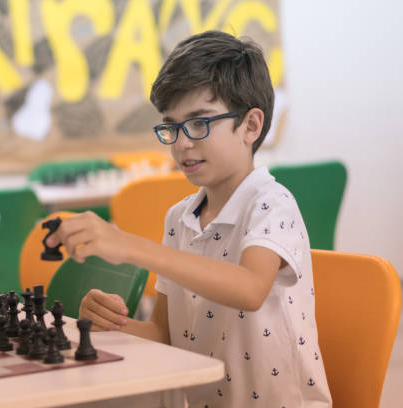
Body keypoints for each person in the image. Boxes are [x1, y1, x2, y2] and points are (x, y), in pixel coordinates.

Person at [46, 31, 331, 407]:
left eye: (198, 123)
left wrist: (131, 246)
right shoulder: (179, 218)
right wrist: (109, 325)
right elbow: (165, 335)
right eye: (171, 127)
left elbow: (250, 289)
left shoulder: (271, 203)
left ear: (250, 126)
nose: (181, 144)